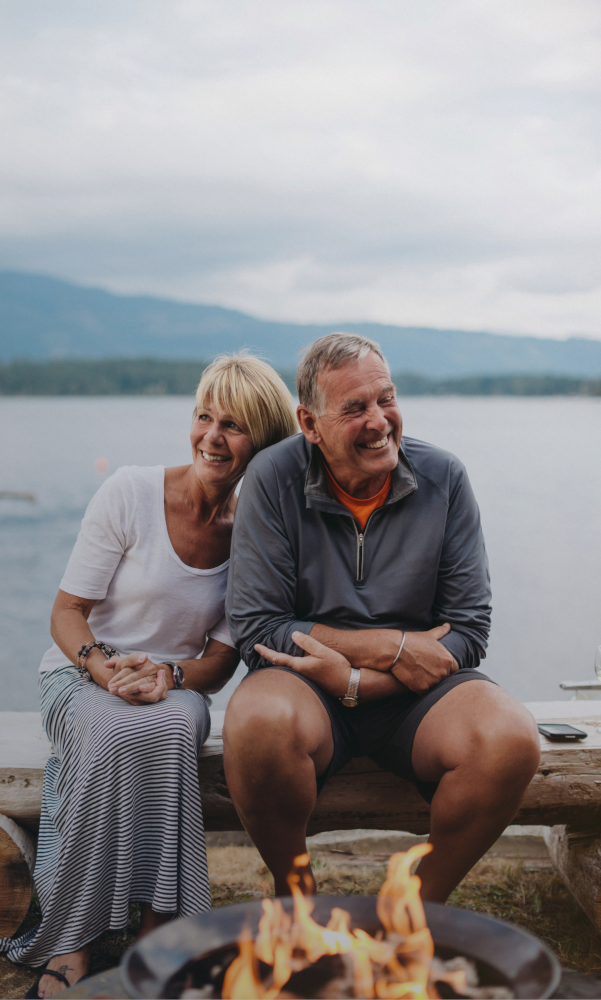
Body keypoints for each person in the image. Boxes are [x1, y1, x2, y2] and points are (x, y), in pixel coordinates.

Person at [0, 353, 298, 999]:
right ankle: (71, 941)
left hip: (177, 685)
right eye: (204, 416)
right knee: (107, 733)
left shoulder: (258, 535)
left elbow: (220, 662)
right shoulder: (130, 491)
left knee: (166, 733)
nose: (212, 436)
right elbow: (67, 613)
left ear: (265, 443)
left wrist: (165, 676)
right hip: (79, 673)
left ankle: (159, 931)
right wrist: (105, 671)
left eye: (234, 426)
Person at [224, 332, 541, 902]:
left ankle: (418, 914)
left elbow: (468, 629)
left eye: (386, 399)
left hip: (420, 698)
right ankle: (295, 898)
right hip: (307, 688)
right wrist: (392, 649)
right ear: (309, 423)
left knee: (512, 738)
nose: (379, 421)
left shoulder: (444, 478)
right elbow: (257, 628)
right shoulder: (272, 479)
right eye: (354, 408)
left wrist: (358, 682)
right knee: (255, 722)